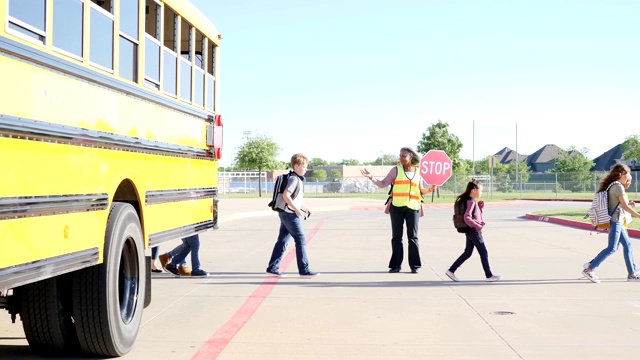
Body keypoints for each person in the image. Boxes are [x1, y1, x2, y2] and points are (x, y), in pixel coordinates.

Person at [360, 147, 437, 273]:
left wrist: (430, 189)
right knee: (396, 237)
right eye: (400, 155)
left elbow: (421, 190)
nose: (401, 158)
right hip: (397, 207)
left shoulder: (419, 172)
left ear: (411, 157)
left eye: (404, 156)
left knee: (413, 237)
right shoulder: (395, 170)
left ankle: (414, 265)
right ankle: (396, 265)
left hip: (414, 207)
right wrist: (371, 177)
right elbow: (382, 184)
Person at [582, 164, 640, 283]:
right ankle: (590, 269)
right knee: (612, 248)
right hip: (615, 221)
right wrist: (638, 215)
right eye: (627, 173)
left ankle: (632, 274)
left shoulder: (613, 185)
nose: (629, 176)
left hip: (616, 220)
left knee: (628, 245)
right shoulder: (618, 187)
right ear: (621, 174)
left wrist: (629, 205)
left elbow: (619, 206)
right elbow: (623, 206)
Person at [266, 153, 318, 278]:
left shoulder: (295, 178)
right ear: (296, 166)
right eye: (304, 166)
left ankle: (272, 267)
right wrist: (297, 210)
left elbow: (295, 198)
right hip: (290, 214)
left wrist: (305, 208)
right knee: (300, 239)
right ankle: (304, 270)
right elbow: (286, 196)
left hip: (285, 213)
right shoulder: (294, 179)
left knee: (282, 241)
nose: (306, 169)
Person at [444, 179, 501, 282]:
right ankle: (489, 275)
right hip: (474, 231)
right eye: (481, 190)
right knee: (483, 252)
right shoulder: (470, 201)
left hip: (469, 231)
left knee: (468, 253)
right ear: (474, 190)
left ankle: (451, 270)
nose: (482, 193)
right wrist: (478, 227)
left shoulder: (468, 201)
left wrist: (479, 208)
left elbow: (474, 215)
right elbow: (467, 218)